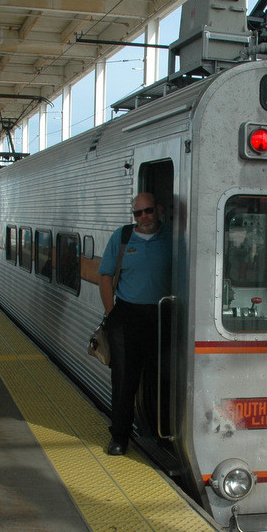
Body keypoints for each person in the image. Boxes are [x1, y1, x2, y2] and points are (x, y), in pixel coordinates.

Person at [98, 193, 173, 456]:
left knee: (160, 378)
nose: (144, 217)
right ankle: (119, 437)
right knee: (124, 381)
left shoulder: (172, 238)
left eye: (148, 211)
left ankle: (159, 433)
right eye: (138, 213)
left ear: (159, 210)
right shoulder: (122, 237)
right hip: (127, 317)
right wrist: (112, 312)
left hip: (162, 315)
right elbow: (105, 275)